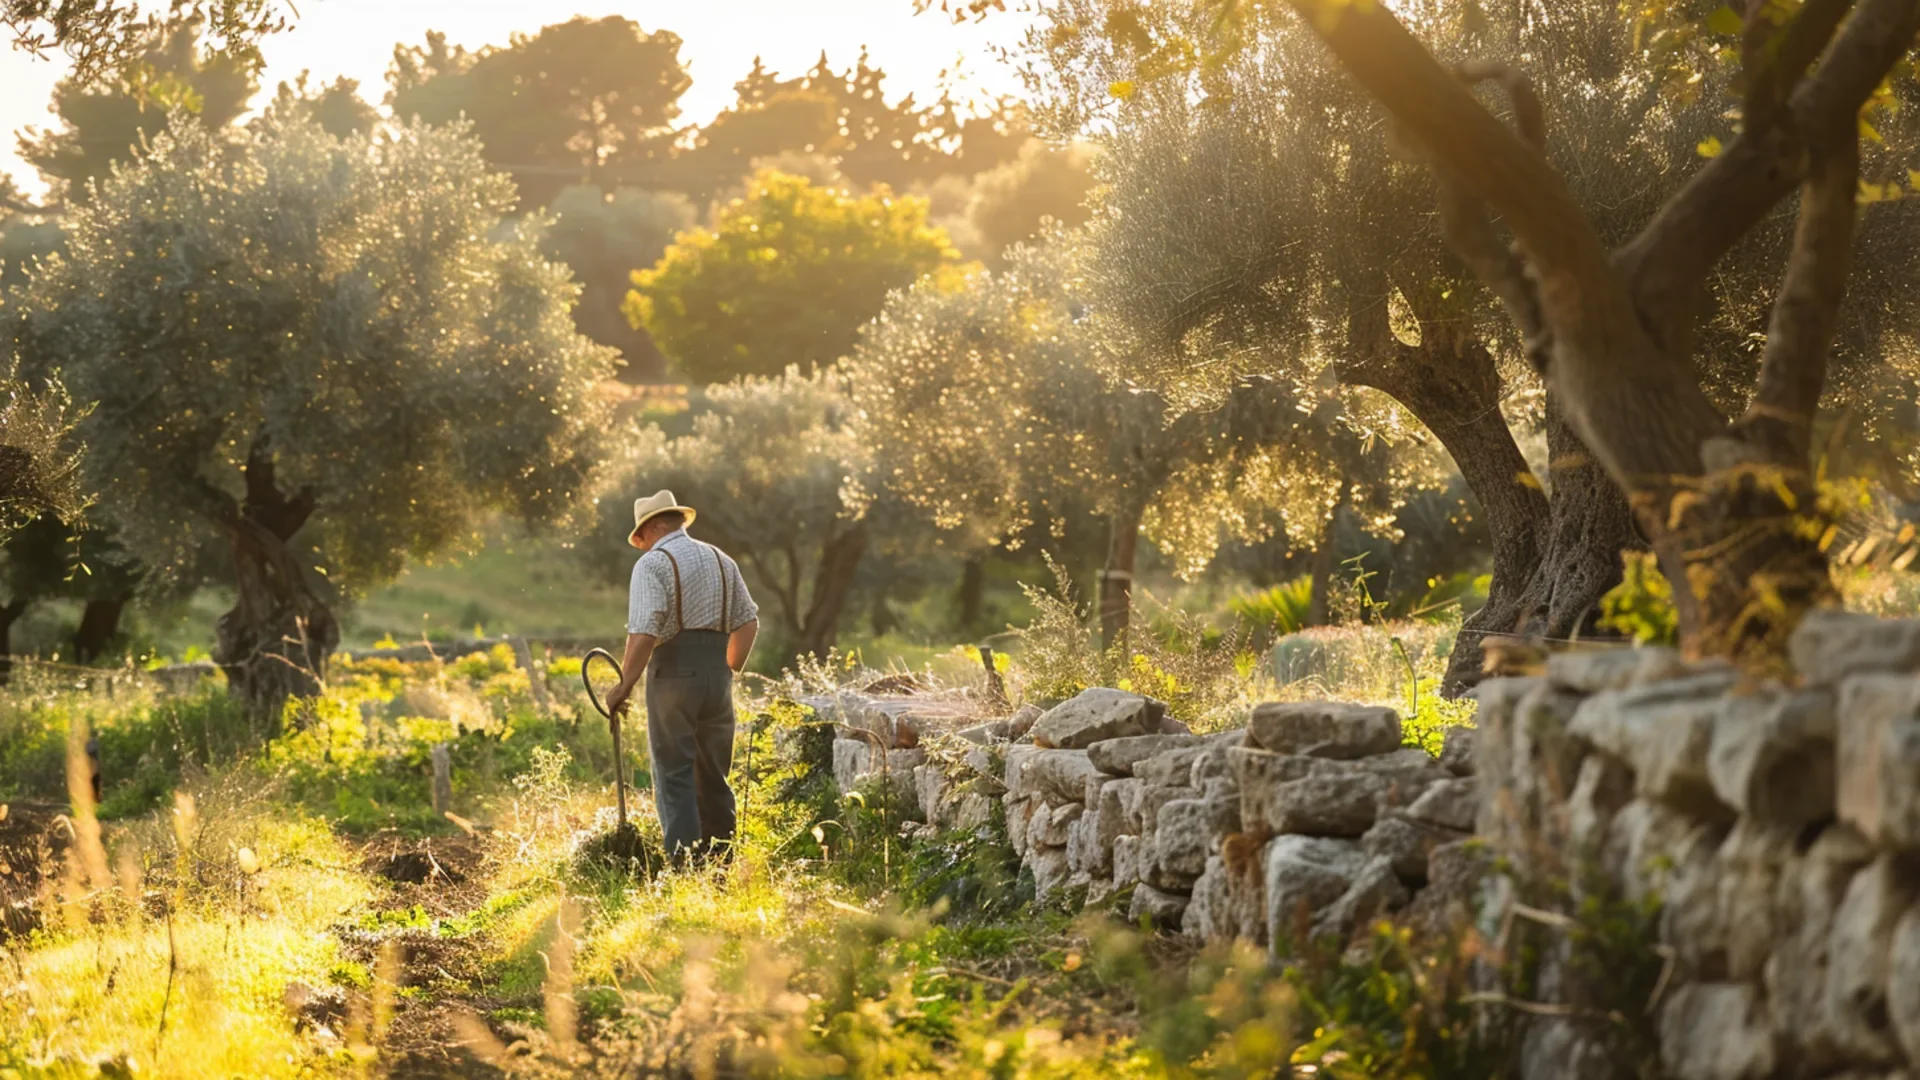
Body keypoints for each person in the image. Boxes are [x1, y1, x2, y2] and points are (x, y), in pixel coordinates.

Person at [604, 490, 759, 861]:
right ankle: (720, 866)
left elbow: (644, 631)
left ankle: (684, 868)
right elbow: (749, 621)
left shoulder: (653, 564)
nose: (641, 548)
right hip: (718, 676)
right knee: (714, 776)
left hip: (673, 674)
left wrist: (623, 686)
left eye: (641, 539)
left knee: (675, 774)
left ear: (654, 526)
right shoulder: (723, 560)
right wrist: (727, 670)